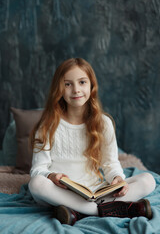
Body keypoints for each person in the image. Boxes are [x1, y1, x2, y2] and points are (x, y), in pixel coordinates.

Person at [29, 58, 156, 225]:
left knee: (148, 180)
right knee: (36, 184)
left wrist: (117, 178)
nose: (76, 90)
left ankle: (79, 213)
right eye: (68, 84)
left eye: (82, 82)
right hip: (60, 192)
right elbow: (38, 169)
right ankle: (109, 210)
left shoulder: (103, 123)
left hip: (95, 190)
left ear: (91, 86)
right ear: (58, 88)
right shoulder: (47, 125)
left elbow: (110, 163)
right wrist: (52, 176)